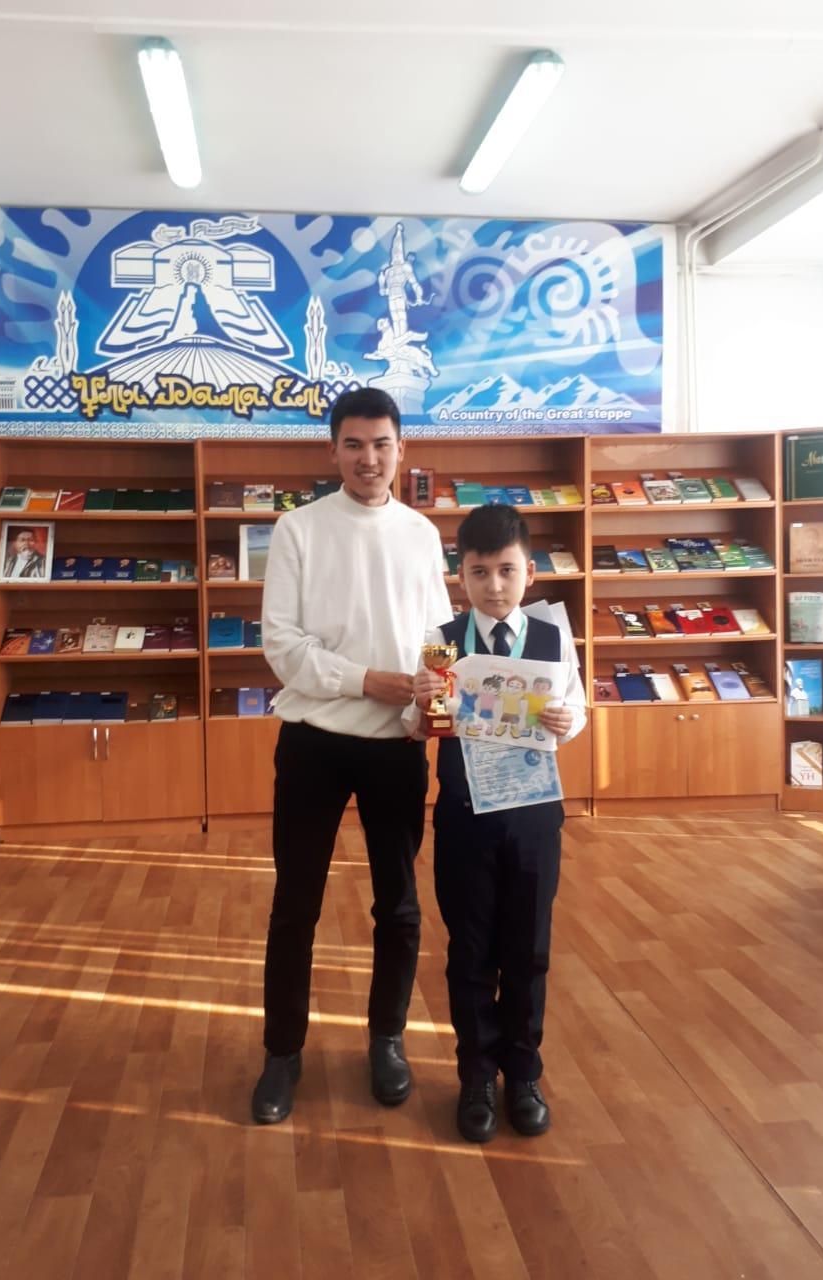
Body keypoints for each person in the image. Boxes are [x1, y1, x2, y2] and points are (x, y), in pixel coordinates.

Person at [252, 386, 453, 1125]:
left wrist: (428, 708)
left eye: (382, 444)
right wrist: (370, 681)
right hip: (313, 744)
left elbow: (437, 642)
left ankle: (387, 1039)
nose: (369, 459)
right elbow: (283, 647)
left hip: (398, 744)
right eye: (354, 444)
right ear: (332, 449)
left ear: (402, 449)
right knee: (295, 904)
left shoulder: (421, 535)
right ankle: (282, 1053)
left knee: (398, 905)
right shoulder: (298, 529)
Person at [410, 504, 586, 1144]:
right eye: (480, 572)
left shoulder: (553, 637)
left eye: (507, 571)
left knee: (529, 949)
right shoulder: (441, 640)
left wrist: (567, 722)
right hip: (465, 819)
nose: (494, 585)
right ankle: (477, 1077)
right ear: (461, 575)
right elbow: (426, 728)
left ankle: (525, 1074)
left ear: (529, 572)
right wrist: (424, 702)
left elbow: (575, 709)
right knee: (471, 951)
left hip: (534, 818)